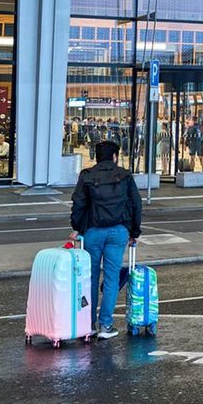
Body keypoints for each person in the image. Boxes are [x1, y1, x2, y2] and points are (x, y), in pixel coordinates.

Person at [69, 140, 142, 339]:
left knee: (90, 278)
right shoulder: (125, 176)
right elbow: (136, 204)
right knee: (111, 278)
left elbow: (78, 204)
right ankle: (106, 326)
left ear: (96, 157)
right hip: (118, 232)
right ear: (115, 157)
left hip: (93, 232)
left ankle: (88, 324)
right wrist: (134, 232)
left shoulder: (87, 176)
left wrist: (76, 227)